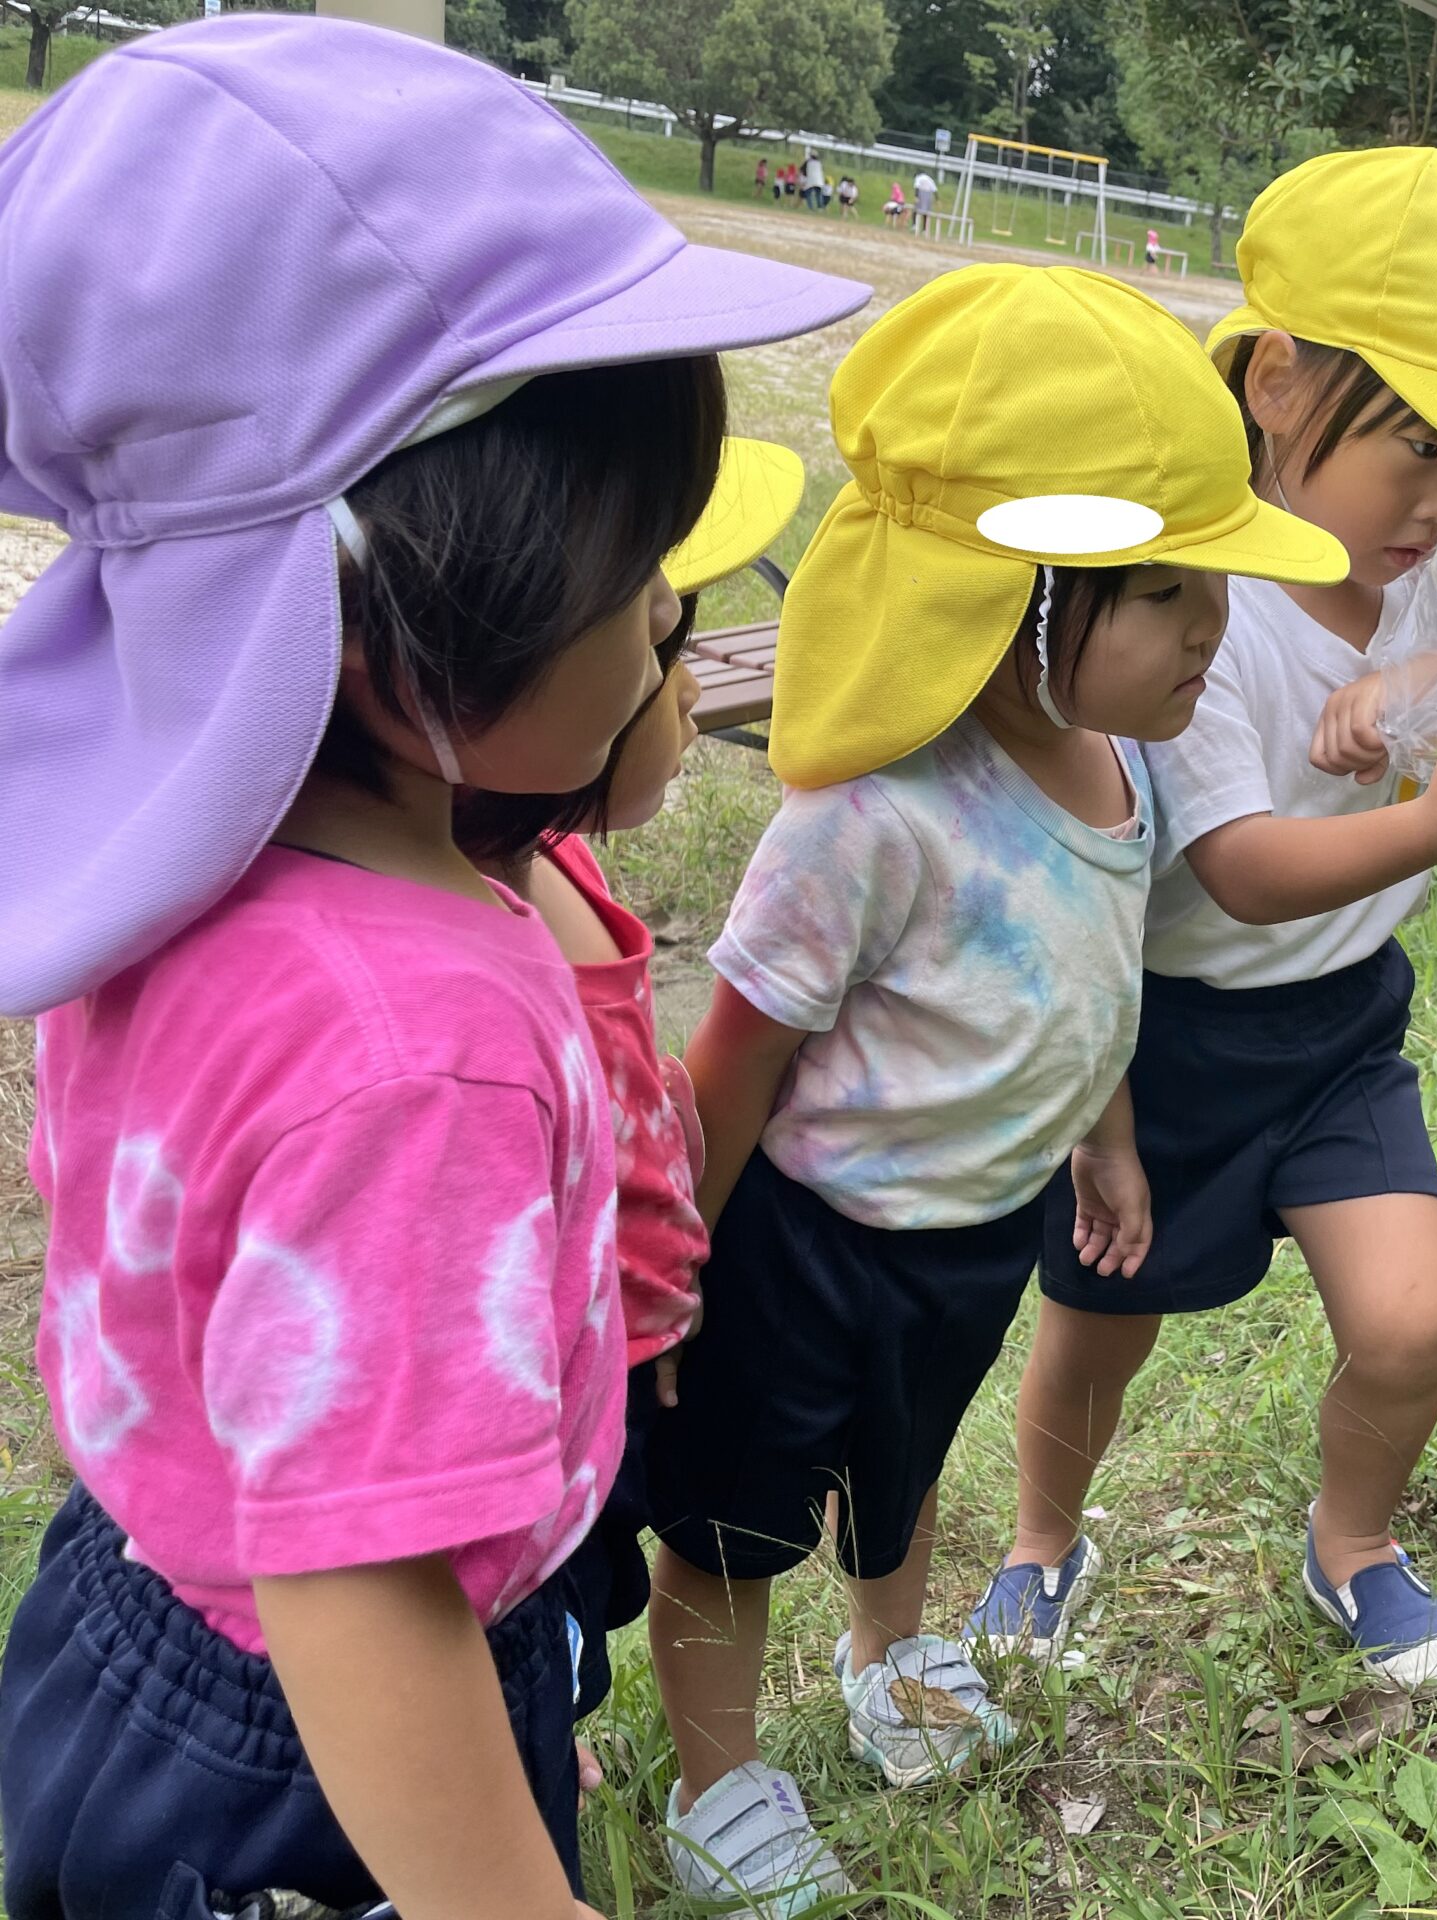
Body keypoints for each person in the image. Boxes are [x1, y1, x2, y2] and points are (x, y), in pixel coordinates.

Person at [0, 18, 868, 1920]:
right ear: (392, 621)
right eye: (636, 578)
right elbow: (360, 1585)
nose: (672, 610)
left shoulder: (192, 867)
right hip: (314, 1758)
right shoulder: (424, 1044)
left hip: (133, 1609)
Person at [642, 265, 1344, 1906]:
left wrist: (1105, 1140)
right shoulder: (871, 817)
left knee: (902, 1473)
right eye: (1163, 589)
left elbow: (1093, 983)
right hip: (802, 1243)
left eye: (1213, 581)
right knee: (735, 1522)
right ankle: (715, 1782)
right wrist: (668, 1268)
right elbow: (735, 1057)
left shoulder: (1124, 769)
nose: (1212, 624)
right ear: (1009, 596)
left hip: (968, 1242)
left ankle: (888, 1661)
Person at [990, 148, 1437, 1694]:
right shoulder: (1196, 595)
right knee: (1098, 1324)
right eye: (1417, 446)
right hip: (1166, 1037)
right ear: (1278, 382)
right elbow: (1241, 866)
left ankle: (1351, 1543)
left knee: (1411, 1321)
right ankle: (1040, 1542)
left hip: (1344, 1028)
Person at [450, 436, 808, 1749]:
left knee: (586, 1606)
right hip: (544, 1412)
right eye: (663, 646)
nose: (692, 686)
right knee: (538, 1614)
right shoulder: (477, 948)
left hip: (627, 1362)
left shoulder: (555, 858)